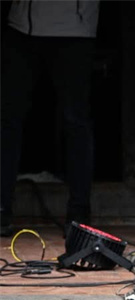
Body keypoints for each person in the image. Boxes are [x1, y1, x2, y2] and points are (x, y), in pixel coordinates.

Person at [0, 0, 100, 237]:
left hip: (76, 28)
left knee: (76, 121)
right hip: (22, 26)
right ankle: (2, 207)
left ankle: (79, 214)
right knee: (8, 118)